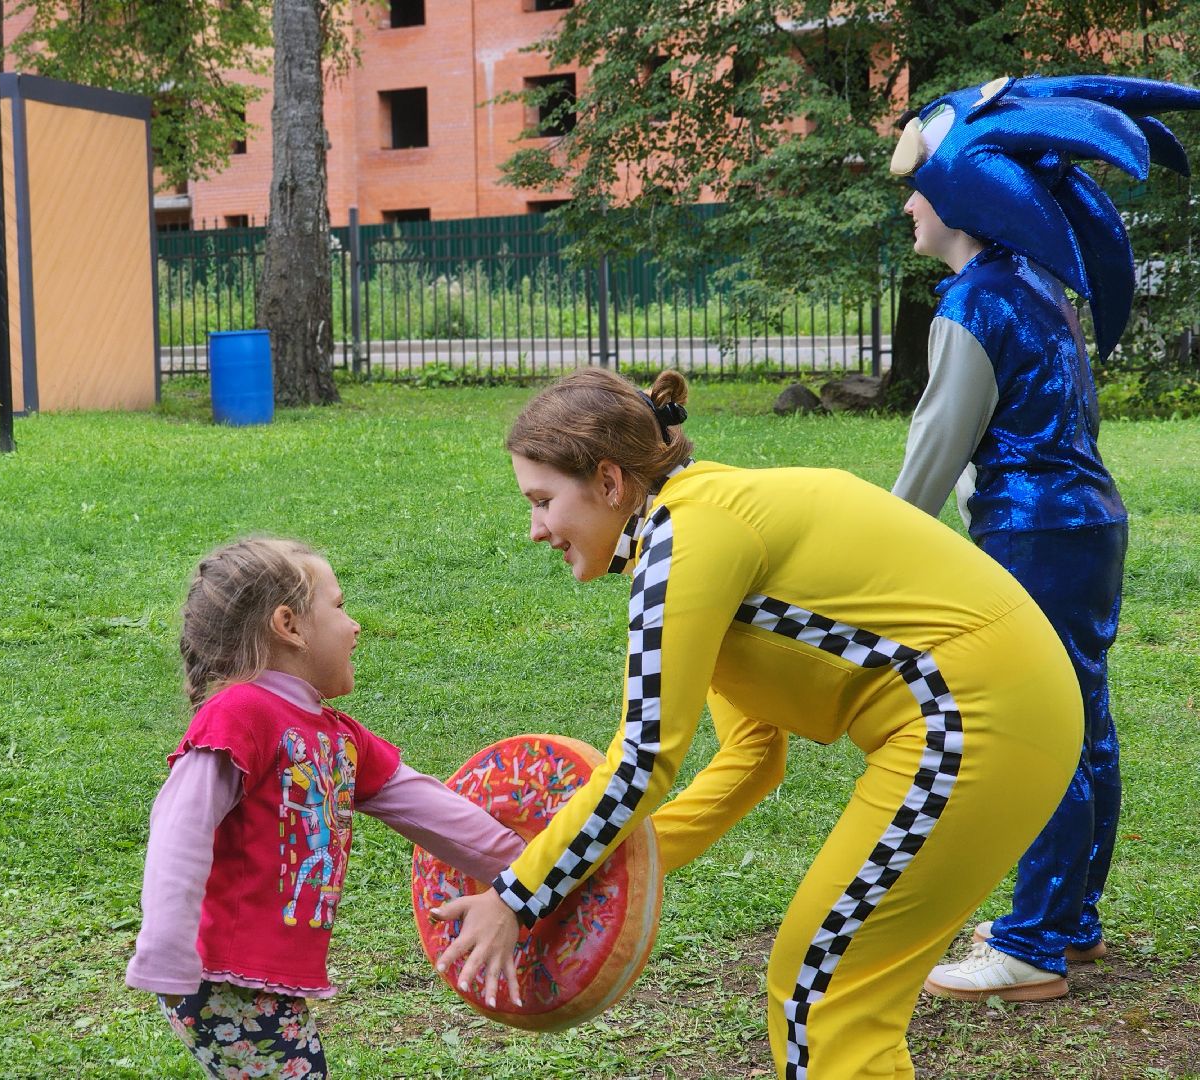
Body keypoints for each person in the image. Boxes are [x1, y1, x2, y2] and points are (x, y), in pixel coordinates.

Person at [432, 367, 1081, 1080]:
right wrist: (612, 873)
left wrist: (520, 896)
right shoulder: (697, 521)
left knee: (823, 990)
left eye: (543, 500)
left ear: (611, 482)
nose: (535, 530)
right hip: (999, 709)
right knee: (824, 985)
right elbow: (750, 756)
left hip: (971, 718)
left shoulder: (691, 533)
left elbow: (644, 757)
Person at [887, 74, 1200, 1001]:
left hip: (1029, 534)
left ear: (961, 193)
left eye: (917, 187)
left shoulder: (973, 304)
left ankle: (1032, 944)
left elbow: (934, 453)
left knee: (1039, 732)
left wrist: (873, 547)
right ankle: (1069, 922)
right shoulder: (1037, 286)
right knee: (1085, 726)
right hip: (1087, 526)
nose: (908, 205)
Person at [125, 536, 525, 1079]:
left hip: (256, 979)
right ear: (288, 625)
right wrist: (167, 950)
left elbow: (430, 811)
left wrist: (531, 866)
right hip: (217, 972)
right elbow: (180, 827)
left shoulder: (338, 737)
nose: (354, 625)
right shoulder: (240, 713)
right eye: (338, 607)